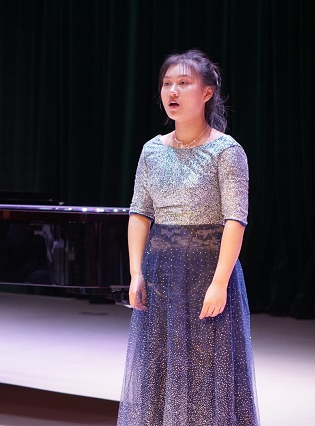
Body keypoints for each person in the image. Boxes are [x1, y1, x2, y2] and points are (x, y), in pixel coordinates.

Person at [117, 50, 260, 425]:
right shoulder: (152, 150)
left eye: (184, 83)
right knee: (159, 366)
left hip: (207, 273)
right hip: (161, 273)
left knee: (206, 369)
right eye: (167, 84)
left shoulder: (226, 151)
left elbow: (235, 220)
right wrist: (135, 273)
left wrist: (220, 282)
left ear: (207, 92)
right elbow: (139, 213)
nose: (172, 91)